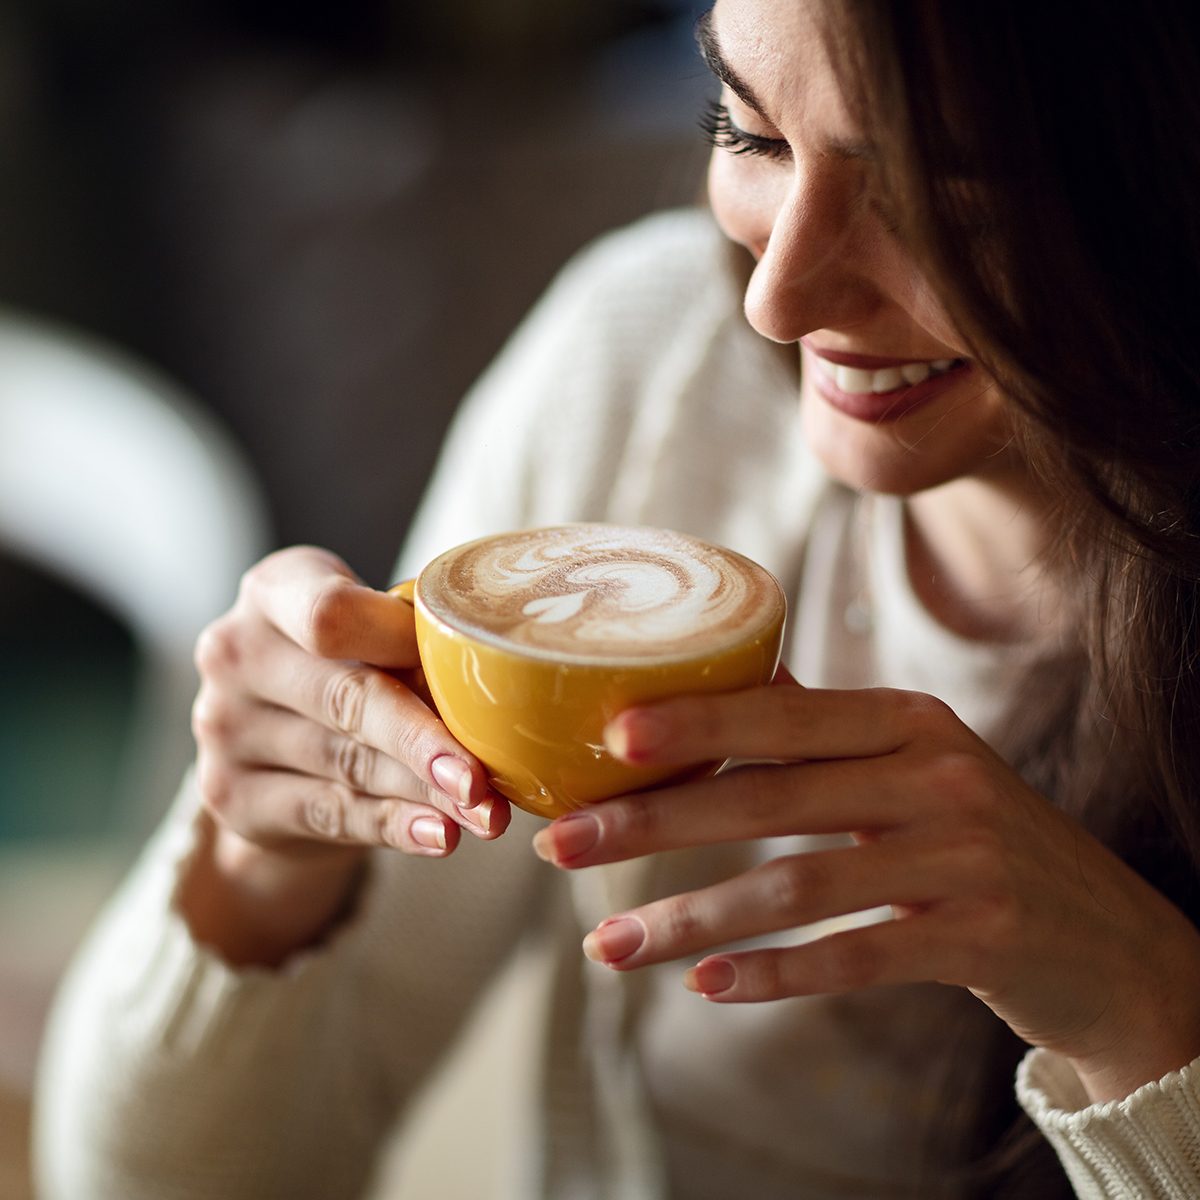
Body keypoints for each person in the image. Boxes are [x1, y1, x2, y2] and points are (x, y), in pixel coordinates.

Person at [33, 0, 1200, 1196]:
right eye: (750, 133)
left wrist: (1145, 1013)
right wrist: (259, 867)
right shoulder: (652, 376)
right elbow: (154, 1183)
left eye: (945, 190)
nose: (777, 299)